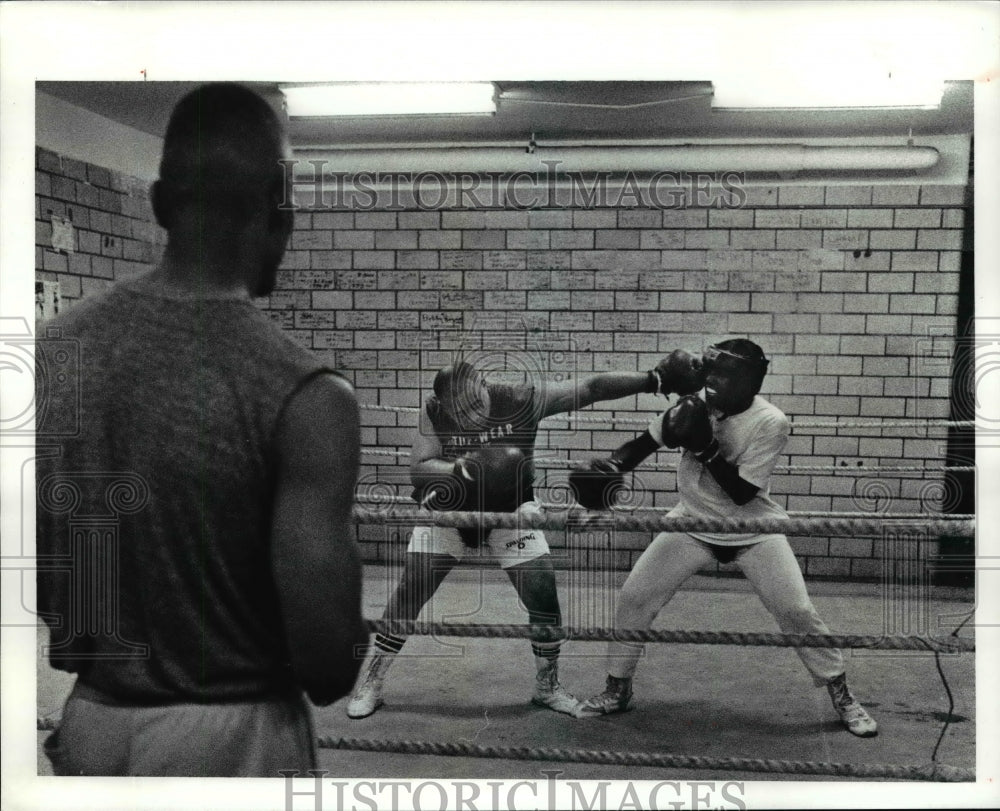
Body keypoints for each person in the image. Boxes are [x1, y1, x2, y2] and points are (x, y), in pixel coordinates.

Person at [34, 83, 368, 776]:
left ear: (159, 205)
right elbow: (328, 661)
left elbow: (46, 582)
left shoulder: (51, 354)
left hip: (89, 729)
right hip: (233, 741)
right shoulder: (306, 394)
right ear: (284, 209)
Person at [345, 351, 705, 719]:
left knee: (542, 593)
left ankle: (546, 685)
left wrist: (652, 380)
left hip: (510, 511)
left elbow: (590, 388)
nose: (468, 417)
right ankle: (372, 679)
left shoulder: (522, 399)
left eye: (474, 407)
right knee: (411, 589)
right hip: (449, 512)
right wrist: (468, 467)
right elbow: (419, 469)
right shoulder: (434, 409)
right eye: (460, 413)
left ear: (485, 388)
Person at [571, 339, 878, 737]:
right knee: (635, 596)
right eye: (710, 372)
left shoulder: (771, 421)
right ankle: (617, 689)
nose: (712, 382)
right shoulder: (695, 402)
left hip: (752, 528)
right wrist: (610, 468)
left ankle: (842, 694)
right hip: (692, 522)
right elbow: (643, 445)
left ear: (751, 382)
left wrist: (704, 446)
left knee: (796, 611)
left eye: (725, 375)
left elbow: (743, 493)